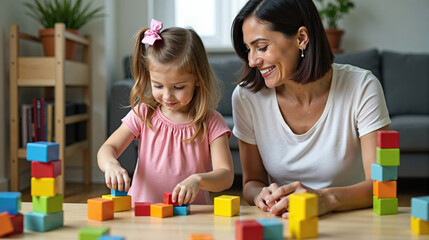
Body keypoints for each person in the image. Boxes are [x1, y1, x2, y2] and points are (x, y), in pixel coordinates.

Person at [231, 0, 390, 218]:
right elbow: (252, 182)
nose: (252, 61)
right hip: (285, 220)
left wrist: (327, 199)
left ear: (301, 38)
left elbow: (382, 186)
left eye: (262, 47)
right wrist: (261, 194)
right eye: (248, 49)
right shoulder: (246, 97)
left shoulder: (362, 87)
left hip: (352, 219)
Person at [98, 19, 234, 206]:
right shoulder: (143, 113)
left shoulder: (211, 121)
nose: (168, 95)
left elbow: (226, 175)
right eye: (158, 85)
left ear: (197, 79)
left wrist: (198, 180)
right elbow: (107, 149)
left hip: (191, 215)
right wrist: (111, 165)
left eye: (178, 87)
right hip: (142, 213)